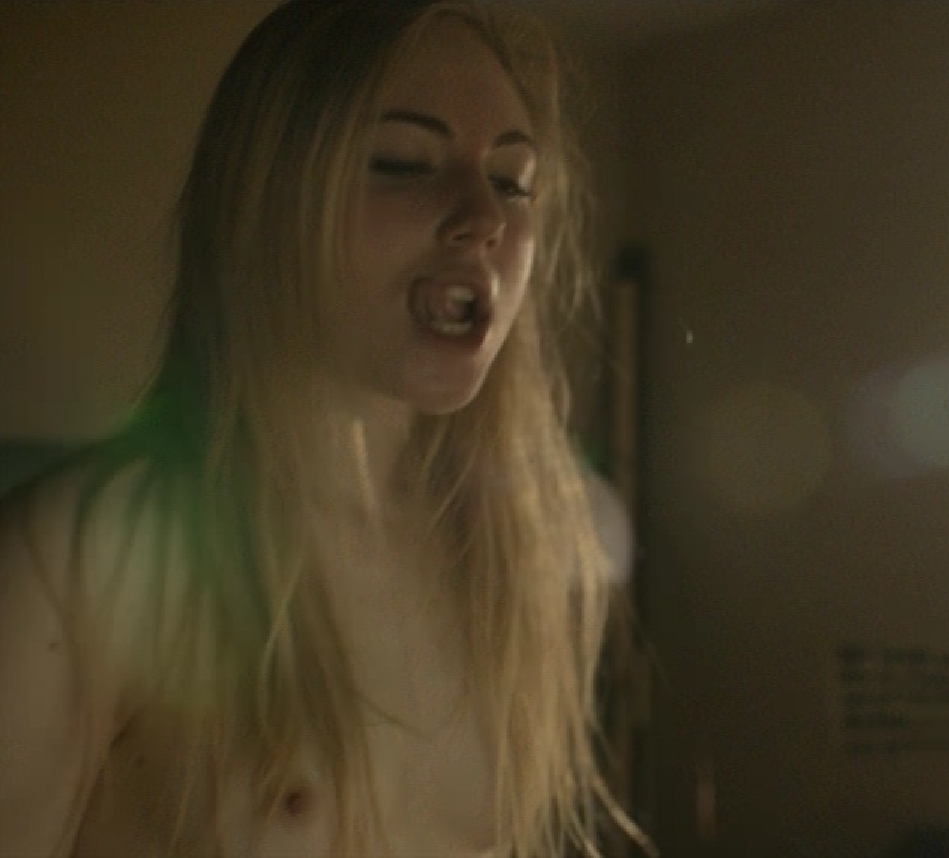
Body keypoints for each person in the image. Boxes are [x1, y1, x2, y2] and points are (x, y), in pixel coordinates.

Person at [0, 1, 632, 854]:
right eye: (403, 162)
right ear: (267, 197)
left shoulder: (512, 558)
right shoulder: (81, 556)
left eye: (512, 181)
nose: (484, 216)